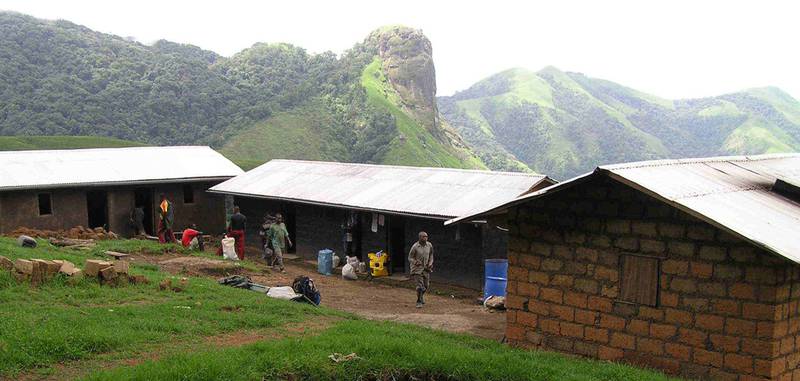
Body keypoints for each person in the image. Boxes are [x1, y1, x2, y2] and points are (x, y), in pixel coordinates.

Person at [408, 231, 434, 308]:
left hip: (426, 268)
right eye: (424, 237)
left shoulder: (429, 245)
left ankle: (421, 296)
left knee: (426, 286)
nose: (426, 238)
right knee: (420, 286)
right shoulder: (415, 247)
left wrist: (430, 262)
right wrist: (415, 262)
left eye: (426, 236)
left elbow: (431, 254)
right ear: (420, 237)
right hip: (417, 269)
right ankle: (419, 302)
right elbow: (410, 257)